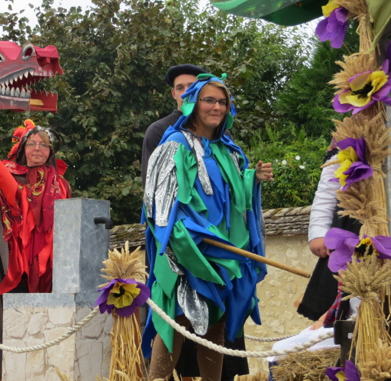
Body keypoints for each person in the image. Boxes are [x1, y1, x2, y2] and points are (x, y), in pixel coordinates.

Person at [142, 74, 273, 381]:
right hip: (186, 249)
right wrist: (189, 239)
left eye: (222, 102)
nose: (216, 107)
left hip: (222, 251)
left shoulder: (229, 150)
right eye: (209, 100)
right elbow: (158, 202)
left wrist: (252, 179)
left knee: (216, 324)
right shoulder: (174, 145)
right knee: (177, 322)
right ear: (193, 104)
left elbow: (234, 201)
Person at [0, 115, 71, 343]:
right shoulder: (7, 173)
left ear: (50, 151)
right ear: (23, 148)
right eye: (32, 143)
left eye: (44, 144)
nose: (38, 148)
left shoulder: (61, 184)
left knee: (43, 329)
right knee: (13, 331)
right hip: (9, 261)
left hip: (48, 269)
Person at [297, 144, 361, 321]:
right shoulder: (350, 136)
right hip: (357, 234)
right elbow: (327, 191)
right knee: (355, 304)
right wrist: (318, 232)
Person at [141, 64, 206, 184]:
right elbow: (150, 184)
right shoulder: (159, 130)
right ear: (174, 93)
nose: (186, 92)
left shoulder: (219, 132)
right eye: (180, 88)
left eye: (192, 86)